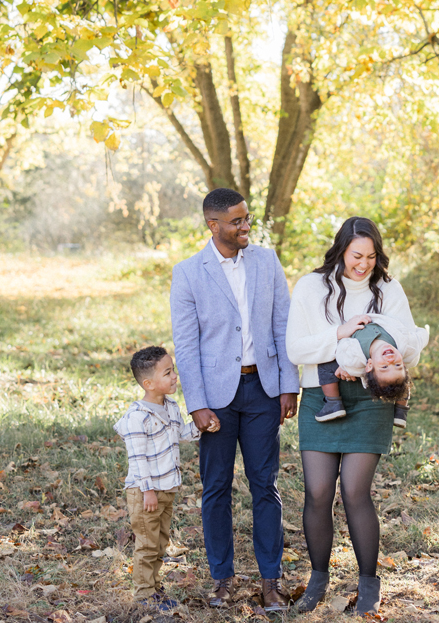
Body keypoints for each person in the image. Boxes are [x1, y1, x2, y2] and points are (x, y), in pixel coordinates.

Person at [170, 188, 300, 611]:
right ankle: (222, 578)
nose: (246, 226)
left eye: (247, 219)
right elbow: (187, 346)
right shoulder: (189, 273)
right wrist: (197, 403)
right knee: (217, 488)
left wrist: (287, 385)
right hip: (216, 398)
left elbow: (283, 326)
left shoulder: (266, 261)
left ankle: (270, 582)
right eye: (237, 221)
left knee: (266, 485)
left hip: (263, 390)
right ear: (213, 225)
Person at [286, 216, 421, 616]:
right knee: (318, 493)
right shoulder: (311, 287)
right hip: (320, 397)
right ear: (341, 249)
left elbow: (411, 347)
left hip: (370, 401)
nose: (363, 264)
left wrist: (374, 356)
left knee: (355, 493)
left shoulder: (389, 289)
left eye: (371, 256)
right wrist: (341, 335)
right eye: (356, 255)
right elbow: (297, 349)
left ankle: (368, 583)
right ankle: (318, 578)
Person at [114, 346, 210, 610]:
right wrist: (148, 491)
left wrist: (202, 428)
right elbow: (138, 459)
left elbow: (179, 435)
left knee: (160, 542)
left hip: (167, 489)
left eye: (173, 370)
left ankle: (155, 588)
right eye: (167, 373)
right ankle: (144, 595)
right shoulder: (137, 418)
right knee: (146, 545)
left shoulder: (170, 407)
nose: (175, 376)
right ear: (149, 383)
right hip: (146, 493)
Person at [315, 312, 428, 426]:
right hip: (374, 319)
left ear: (370, 365)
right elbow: (420, 338)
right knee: (400, 379)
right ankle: (401, 408)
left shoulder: (355, 355)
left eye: (384, 367)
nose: (391, 360)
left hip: (355, 332)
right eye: (398, 365)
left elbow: (339, 348)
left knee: (325, 363)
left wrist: (344, 365)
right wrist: (420, 330)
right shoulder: (407, 346)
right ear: (402, 362)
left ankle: (333, 402)